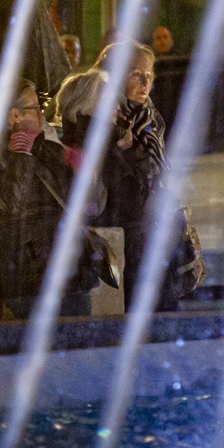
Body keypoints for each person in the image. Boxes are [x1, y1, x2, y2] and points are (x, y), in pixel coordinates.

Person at [0, 78, 101, 319]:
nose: (41, 115)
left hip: (72, 274)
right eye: (35, 108)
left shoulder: (48, 148)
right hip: (31, 281)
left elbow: (92, 207)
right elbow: (6, 212)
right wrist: (20, 158)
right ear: (14, 116)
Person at [92, 42, 176, 311]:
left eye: (149, 74)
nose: (145, 82)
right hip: (130, 225)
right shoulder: (106, 117)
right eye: (136, 74)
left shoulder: (148, 117)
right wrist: (126, 149)